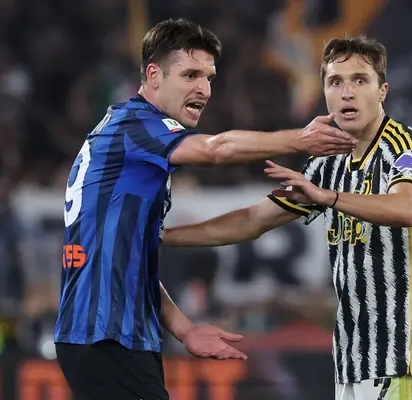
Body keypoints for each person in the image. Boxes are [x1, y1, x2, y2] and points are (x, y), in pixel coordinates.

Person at [54, 18, 357, 400]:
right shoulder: (135, 125)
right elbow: (216, 150)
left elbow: (131, 261)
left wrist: (184, 328)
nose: (204, 89)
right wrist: (300, 138)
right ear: (153, 75)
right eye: (191, 74)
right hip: (104, 336)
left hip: (113, 336)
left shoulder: (134, 145)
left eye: (209, 77)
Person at [163, 35, 412, 400]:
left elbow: (406, 209)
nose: (347, 93)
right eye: (335, 82)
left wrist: (328, 198)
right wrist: (163, 236)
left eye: (360, 80)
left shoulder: (405, 146)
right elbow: (253, 220)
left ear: (382, 91)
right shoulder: (327, 163)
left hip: (402, 357)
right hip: (351, 360)